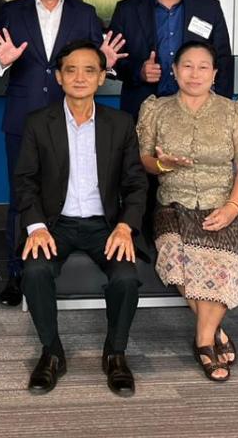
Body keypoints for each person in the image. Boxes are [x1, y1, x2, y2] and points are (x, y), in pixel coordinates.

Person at [0, 0, 126, 307]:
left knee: (68, 188)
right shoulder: (11, 12)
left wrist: (108, 64)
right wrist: (1, 61)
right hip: (23, 117)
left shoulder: (85, 13)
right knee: (22, 197)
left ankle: (57, 264)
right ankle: (17, 273)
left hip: (74, 117)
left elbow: (97, 63)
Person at [15, 40, 147, 396]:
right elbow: (24, 180)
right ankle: (52, 352)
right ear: (58, 77)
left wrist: (124, 226)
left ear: (102, 77)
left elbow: (136, 183)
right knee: (35, 270)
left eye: (90, 70)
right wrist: (36, 226)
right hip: (55, 224)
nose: (79, 77)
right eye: (70, 70)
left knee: (126, 278)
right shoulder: (39, 123)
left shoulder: (119, 123)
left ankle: (116, 354)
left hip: (105, 225)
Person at [136, 40, 238, 382]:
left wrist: (233, 208)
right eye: (187, 66)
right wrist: (162, 163)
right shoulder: (156, 109)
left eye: (203, 66)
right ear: (174, 71)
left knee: (220, 261)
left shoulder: (234, 112)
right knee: (176, 257)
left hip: (222, 204)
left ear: (215, 73)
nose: (194, 74)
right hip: (172, 203)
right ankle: (213, 333)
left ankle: (203, 338)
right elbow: (144, 160)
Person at [107, 0, 233, 120]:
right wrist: (138, 72)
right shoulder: (127, 10)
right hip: (143, 112)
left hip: (198, 112)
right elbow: (114, 61)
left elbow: (223, 61)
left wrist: (220, 110)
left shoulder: (209, 8)